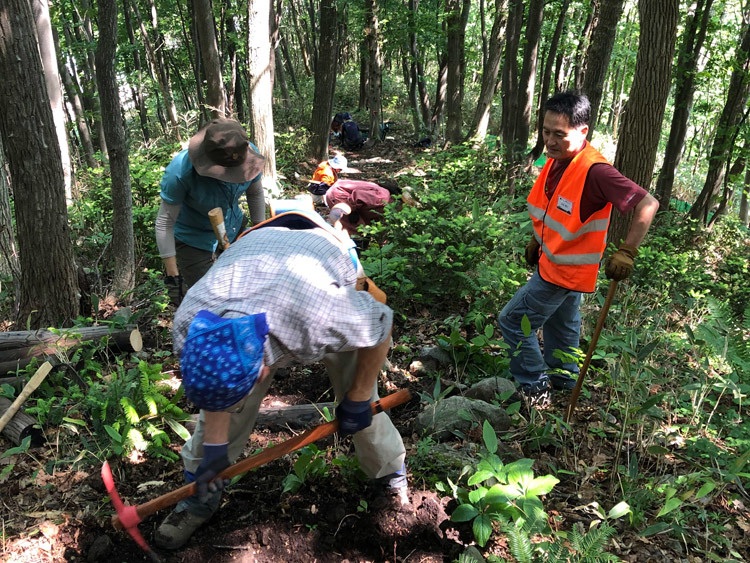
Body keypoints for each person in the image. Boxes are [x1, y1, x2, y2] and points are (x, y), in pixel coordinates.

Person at [154, 210, 408, 550]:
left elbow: (382, 321)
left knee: (357, 390)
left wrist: (360, 396)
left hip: (322, 261)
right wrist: (214, 451)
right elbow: (216, 392)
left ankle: (390, 474)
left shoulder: (319, 318)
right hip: (253, 257)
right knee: (225, 403)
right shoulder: (191, 322)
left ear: (263, 372)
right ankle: (201, 496)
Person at [498, 91, 659, 405]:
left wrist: (628, 250)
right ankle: (562, 380)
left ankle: (534, 388)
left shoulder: (596, 171)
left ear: (583, 131)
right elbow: (553, 209)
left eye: (559, 134)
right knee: (562, 325)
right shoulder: (558, 160)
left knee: (513, 321)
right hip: (557, 261)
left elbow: (648, 203)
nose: (550, 141)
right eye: (546, 132)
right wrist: (538, 239)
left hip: (562, 271)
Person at [155, 118, 266, 305]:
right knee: (209, 299)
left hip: (233, 226)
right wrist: (173, 276)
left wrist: (259, 230)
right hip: (193, 237)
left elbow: (254, 193)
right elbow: (165, 222)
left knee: (245, 286)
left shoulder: (245, 153)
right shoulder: (180, 172)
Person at [323, 179, 395, 237]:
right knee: (354, 231)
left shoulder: (387, 207)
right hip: (340, 195)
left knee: (362, 229)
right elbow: (358, 196)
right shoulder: (382, 198)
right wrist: (351, 211)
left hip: (350, 201)